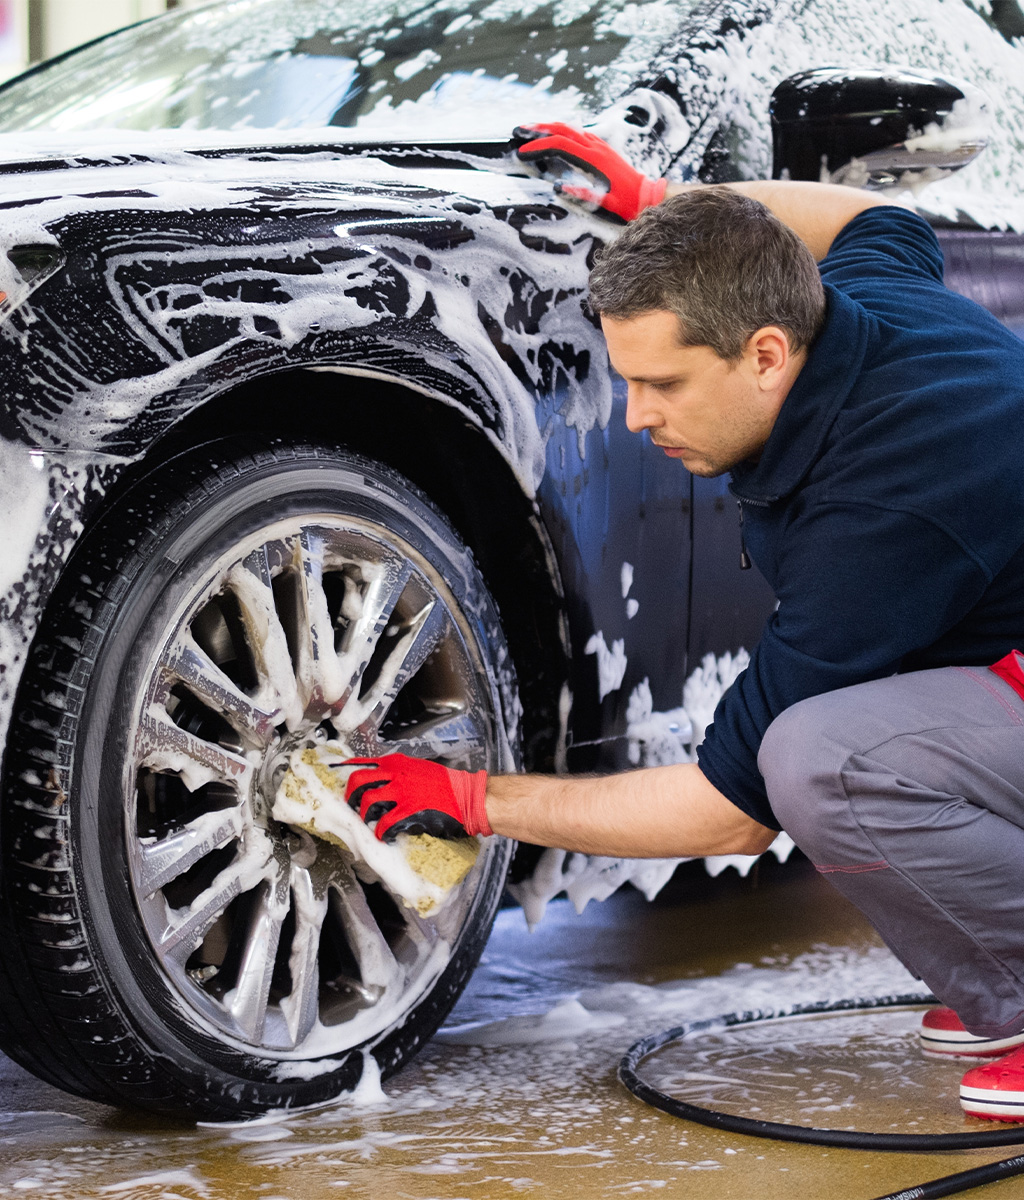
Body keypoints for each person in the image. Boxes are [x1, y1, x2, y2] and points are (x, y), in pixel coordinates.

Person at [339, 123, 1024, 1123]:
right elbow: (877, 215)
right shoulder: (859, 296)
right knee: (837, 735)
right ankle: (1002, 988)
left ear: (765, 354)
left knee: (821, 760)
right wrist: (665, 199)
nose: (635, 417)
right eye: (627, 380)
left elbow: (729, 811)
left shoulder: (882, 511)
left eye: (662, 384)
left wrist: (473, 800)